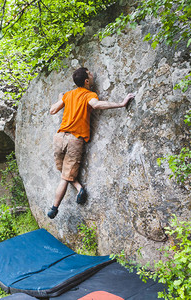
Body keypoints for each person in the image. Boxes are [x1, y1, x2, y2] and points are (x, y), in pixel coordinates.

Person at [47, 67, 135, 219]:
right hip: (74, 140)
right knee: (64, 177)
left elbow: (52, 110)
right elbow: (96, 105)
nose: (93, 74)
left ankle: (79, 187)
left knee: (63, 170)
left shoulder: (68, 95)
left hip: (59, 137)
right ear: (87, 81)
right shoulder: (89, 95)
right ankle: (54, 208)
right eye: (90, 73)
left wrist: (59, 98)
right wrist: (121, 104)